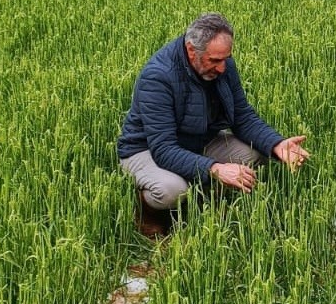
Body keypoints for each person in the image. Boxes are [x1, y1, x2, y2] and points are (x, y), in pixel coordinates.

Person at [118, 13, 310, 237]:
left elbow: (242, 116)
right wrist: (215, 169)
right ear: (192, 51)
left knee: (255, 152)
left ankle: (204, 198)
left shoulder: (223, 64)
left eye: (225, 59)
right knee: (173, 191)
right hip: (147, 149)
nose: (222, 68)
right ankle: (148, 215)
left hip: (197, 142)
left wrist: (277, 144)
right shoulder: (158, 77)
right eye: (215, 61)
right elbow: (164, 150)